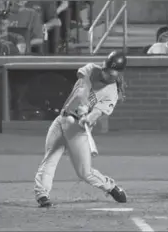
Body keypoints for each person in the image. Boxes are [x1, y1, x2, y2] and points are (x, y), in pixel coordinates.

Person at [34, 51, 128, 208]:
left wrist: (87, 118)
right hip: (61, 119)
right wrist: (83, 103)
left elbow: (98, 112)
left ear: (118, 75)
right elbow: (82, 87)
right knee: (50, 158)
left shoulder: (112, 93)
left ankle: (110, 187)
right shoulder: (91, 69)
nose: (106, 76)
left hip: (76, 128)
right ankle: (42, 194)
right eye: (105, 71)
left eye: (111, 75)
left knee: (84, 172)